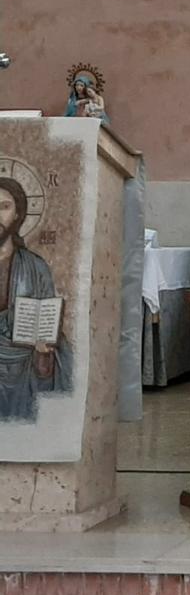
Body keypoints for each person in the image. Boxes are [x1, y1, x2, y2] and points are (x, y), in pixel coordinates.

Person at [0, 177, 71, 421]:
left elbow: (46, 334)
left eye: (4, 207)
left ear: (18, 214)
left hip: (23, 374)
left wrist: (44, 351)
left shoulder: (35, 267)